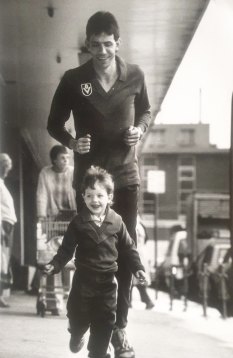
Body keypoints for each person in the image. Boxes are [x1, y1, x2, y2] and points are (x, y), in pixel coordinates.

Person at [47, 11, 151, 357]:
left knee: (123, 253)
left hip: (125, 179)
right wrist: (71, 141)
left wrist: (141, 129)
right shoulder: (73, 79)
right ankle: (87, 324)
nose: (103, 51)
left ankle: (119, 328)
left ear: (117, 43)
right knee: (91, 254)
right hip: (90, 184)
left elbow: (146, 112)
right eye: (96, 45)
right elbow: (53, 123)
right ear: (87, 45)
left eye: (108, 44)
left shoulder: (135, 75)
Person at [43, 166, 147, 358]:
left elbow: (129, 248)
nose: (95, 200)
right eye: (89, 195)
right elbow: (65, 250)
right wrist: (55, 265)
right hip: (83, 282)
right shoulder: (78, 222)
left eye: (100, 195)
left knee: (105, 323)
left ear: (110, 196)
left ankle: (98, 353)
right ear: (83, 197)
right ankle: (76, 333)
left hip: (108, 284)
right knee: (77, 317)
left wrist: (138, 268)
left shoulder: (117, 221)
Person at [34, 145, 76, 305]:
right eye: (63, 158)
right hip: (52, 219)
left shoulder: (72, 172)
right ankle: (52, 300)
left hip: (71, 219)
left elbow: (78, 192)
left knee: (69, 257)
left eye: (68, 157)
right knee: (50, 256)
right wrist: (41, 217)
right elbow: (41, 195)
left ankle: (67, 294)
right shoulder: (45, 173)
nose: (66, 160)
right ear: (54, 160)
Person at [0, 153, 17, 308]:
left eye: (8, 164)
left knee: (4, 261)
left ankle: (1, 296)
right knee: (1, 260)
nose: (7, 167)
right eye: (4, 163)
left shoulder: (2, 183)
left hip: (7, 225)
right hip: (2, 226)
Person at [130, 216, 154, 310]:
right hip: (142, 253)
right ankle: (146, 301)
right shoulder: (141, 226)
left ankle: (146, 301)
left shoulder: (134, 226)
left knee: (132, 279)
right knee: (138, 280)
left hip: (136, 253)